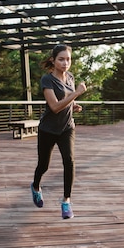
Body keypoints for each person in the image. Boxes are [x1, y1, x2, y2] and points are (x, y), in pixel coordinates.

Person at [30, 44, 86, 219]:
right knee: (43, 165)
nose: (65, 63)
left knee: (69, 161)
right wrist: (76, 94)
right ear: (53, 61)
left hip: (66, 127)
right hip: (48, 129)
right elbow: (54, 106)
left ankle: (66, 201)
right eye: (61, 59)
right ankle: (36, 186)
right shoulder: (47, 80)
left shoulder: (70, 77)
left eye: (68, 59)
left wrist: (73, 106)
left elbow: (65, 101)